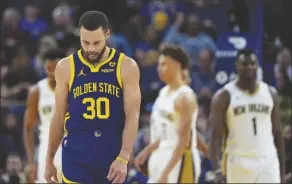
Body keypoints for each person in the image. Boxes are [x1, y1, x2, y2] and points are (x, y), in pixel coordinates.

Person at [44, 11, 141, 184]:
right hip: (76, 153)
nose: (91, 48)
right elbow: (58, 116)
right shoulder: (66, 67)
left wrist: (124, 157)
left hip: (111, 155)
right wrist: (49, 160)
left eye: (97, 43)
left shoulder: (126, 66)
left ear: (107, 34)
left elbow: (132, 115)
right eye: (85, 42)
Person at [209, 48, 285, 183]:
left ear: (258, 66)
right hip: (238, 160)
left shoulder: (270, 93)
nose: (249, 67)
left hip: (267, 159)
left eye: (253, 63)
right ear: (236, 66)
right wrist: (217, 169)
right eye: (244, 64)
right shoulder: (224, 96)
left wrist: (282, 172)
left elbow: (278, 132)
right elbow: (215, 136)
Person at [135, 45, 201, 183]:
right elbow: (166, 133)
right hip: (161, 154)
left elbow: (184, 141)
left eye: (164, 64)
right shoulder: (163, 93)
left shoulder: (184, 98)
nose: (159, 68)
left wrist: (166, 173)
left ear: (176, 66)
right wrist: (146, 151)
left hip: (178, 160)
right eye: (159, 64)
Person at [23, 48, 66, 183]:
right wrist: (30, 162)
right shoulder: (36, 91)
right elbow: (28, 128)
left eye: (55, 68)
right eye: (49, 68)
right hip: (46, 150)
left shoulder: (75, 88)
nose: (52, 73)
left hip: (72, 147)